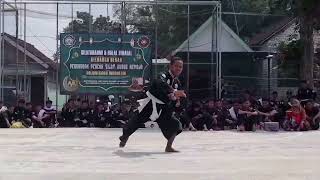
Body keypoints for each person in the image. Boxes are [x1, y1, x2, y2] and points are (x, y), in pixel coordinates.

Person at [119, 57, 186, 152]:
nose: (178, 68)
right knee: (135, 122)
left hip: (163, 108)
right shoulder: (163, 75)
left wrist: (177, 101)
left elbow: (175, 97)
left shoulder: (177, 82)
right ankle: (125, 136)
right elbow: (159, 83)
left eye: (180, 67)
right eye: (176, 66)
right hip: (151, 104)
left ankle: (169, 146)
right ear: (171, 66)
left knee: (176, 124)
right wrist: (173, 92)